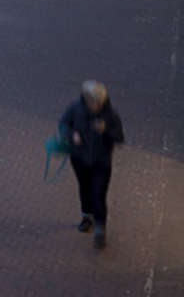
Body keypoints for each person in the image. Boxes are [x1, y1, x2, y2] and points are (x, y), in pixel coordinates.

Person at [59, 80, 124, 247]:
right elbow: (63, 125)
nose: (96, 106)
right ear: (87, 100)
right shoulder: (75, 109)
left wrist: (106, 131)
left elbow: (119, 137)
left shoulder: (110, 115)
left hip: (101, 162)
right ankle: (86, 217)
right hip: (79, 159)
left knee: (99, 194)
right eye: (93, 102)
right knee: (84, 188)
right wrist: (71, 135)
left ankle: (100, 227)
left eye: (99, 103)